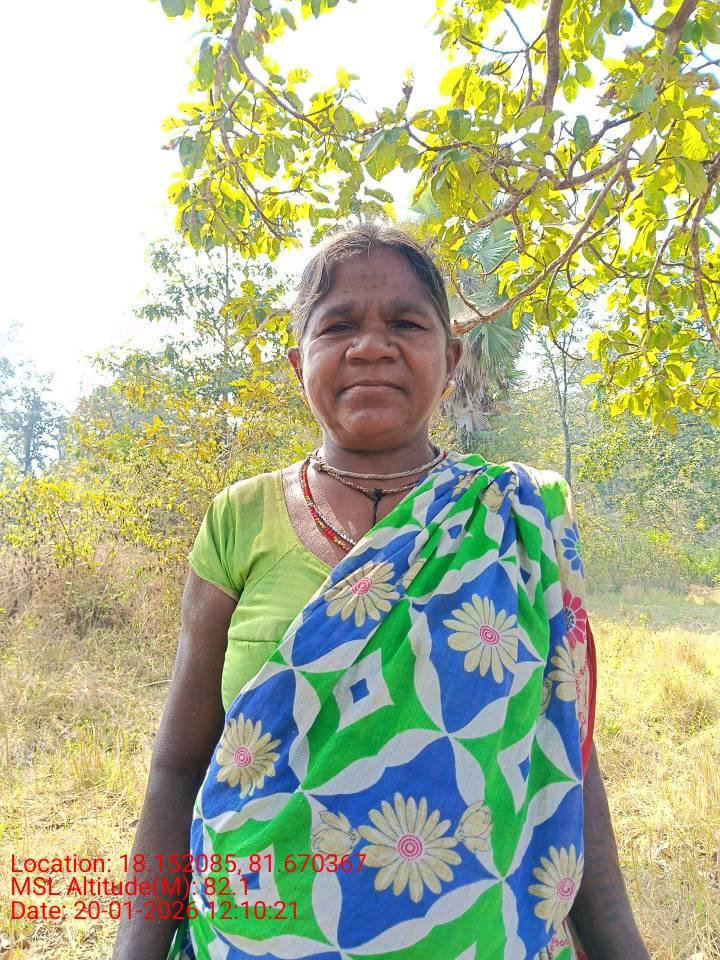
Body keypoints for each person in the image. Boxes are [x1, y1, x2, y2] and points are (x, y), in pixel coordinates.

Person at [112, 223, 649, 960]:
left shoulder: (518, 520)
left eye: (405, 323)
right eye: (337, 326)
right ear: (298, 360)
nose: (371, 347)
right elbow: (178, 768)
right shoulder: (239, 519)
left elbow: (566, 759)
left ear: (451, 357)